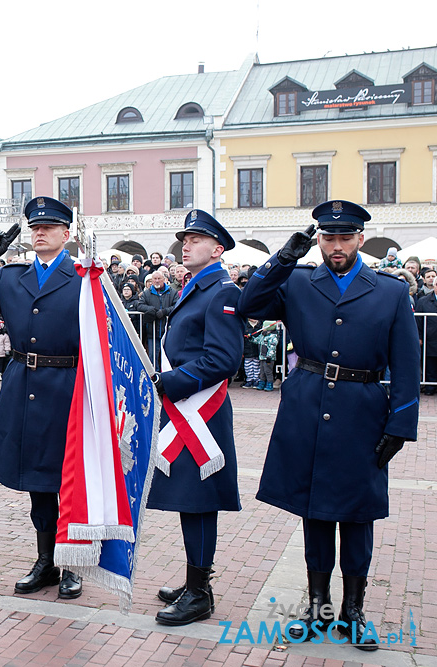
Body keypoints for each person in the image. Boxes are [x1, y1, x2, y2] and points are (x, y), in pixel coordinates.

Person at [237, 200, 419, 651]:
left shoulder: (391, 291)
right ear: (317, 240)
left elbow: (407, 363)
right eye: (327, 237)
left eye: (344, 237)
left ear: (360, 239)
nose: (335, 246)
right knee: (314, 510)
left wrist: (400, 424)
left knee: (358, 513)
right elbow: (249, 303)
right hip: (307, 406)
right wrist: (282, 257)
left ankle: (352, 611)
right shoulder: (299, 281)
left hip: (362, 411)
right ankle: (318, 609)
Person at [0, 195, 83, 600]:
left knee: (71, 481)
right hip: (23, 383)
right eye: (35, 227)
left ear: (67, 233)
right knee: (37, 481)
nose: (40, 232)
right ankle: (45, 560)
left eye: (49, 227)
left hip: (68, 385)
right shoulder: (12, 277)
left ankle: (73, 564)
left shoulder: (85, 276)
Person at [147, 209, 243, 626]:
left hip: (202, 412)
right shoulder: (196, 286)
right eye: (184, 239)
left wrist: (172, 381)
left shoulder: (221, 290)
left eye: (196, 239)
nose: (186, 245)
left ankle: (200, 593)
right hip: (187, 409)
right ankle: (194, 581)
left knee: (200, 502)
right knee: (190, 500)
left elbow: (223, 359)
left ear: (217, 249)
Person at [138, 271, 176, 365]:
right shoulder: (147, 293)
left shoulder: (172, 292)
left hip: (168, 331)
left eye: (159, 279)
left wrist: (165, 311)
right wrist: (151, 310)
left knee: (167, 357)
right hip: (152, 331)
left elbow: (176, 305)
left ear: (164, 280)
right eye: (155, 279)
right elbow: (139, 305)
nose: (157, 281)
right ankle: (154, 377)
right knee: (153, 356)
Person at [416, 267, 437, 396]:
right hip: (430, 338)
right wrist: (419, 337)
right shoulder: (423, 301)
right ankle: (430, 387)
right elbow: (418, 320)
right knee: (430, 365)